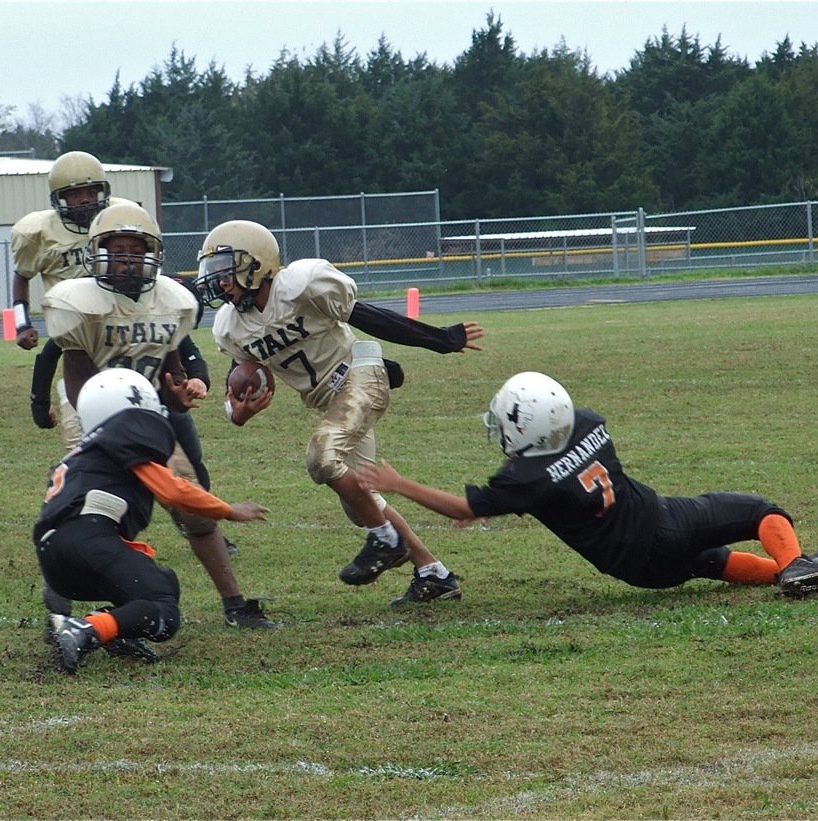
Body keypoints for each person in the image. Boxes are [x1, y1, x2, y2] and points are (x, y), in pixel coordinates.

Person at [357, 370, 818, 599]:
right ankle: (797, 565)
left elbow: (461, 509)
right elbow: (477, 505)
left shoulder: (526, 479)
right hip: (661, 523)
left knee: (713, 562)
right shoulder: (588, 423)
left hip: (637, 570)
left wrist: (397, 483)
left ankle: (789, 575)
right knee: (760, 511)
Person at [194, 219, 486, 606]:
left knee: (321, 458)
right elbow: (238, 380)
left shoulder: (300, 285)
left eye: (225, 271)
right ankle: (434, 573)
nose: (219, 283)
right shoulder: (231, 327)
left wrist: (441, 340)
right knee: (361, 501)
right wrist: (240, 413)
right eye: (214, 274)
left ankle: (387, 540)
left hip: (360, 374)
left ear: (256, 263)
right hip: (329, 401)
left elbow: (367, 317)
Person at [42, 202, 277, 628]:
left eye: (136, 247)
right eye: (118, 248)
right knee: (94, 512)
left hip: (146, 414)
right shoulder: (80, 303)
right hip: (91, 412)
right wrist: (105, 439)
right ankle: (61, 607)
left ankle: (235, 604)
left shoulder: (170, 301)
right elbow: (76, 380)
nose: (128, 256)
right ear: (99, 252)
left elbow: (171, 366)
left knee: (194, 512)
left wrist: (181, 390)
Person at [37, 369, 270, 673]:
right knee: (164, 610)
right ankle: (84, 629)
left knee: (163, 584)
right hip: (88, 542)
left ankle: (112, 630)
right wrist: (228, 510)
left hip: (56, 561)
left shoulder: (83, 454)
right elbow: (172, 489)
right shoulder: (124, 438)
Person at [9, 150, 112, 448]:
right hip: (71, 323)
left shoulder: (115, 219)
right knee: (57, 349)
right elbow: (22, 275)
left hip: (114, 316)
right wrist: (21, 324)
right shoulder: (41, 232)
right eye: (76, 194)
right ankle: (42, 404)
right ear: (60, 198)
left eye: (91, 191)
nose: (85, 200)